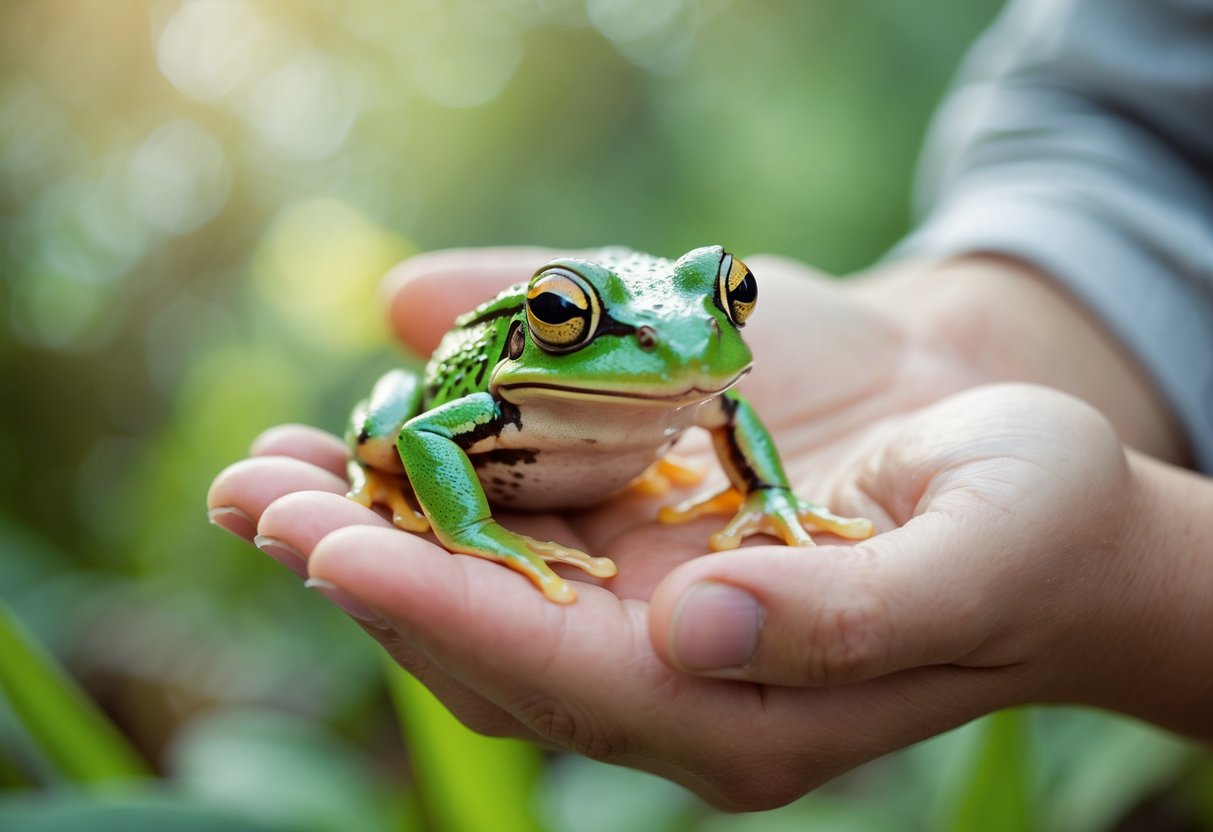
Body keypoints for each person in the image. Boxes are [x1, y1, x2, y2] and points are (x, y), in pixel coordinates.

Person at [207, 0, 1213, 810]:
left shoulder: (702, 387)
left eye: (726, 298)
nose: (685, 345)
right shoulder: (499, 398)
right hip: (465, 426)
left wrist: (767, 496)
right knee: (383, 434)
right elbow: (427, 428)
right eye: (566, 313)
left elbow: (728, 410)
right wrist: (473, 529)